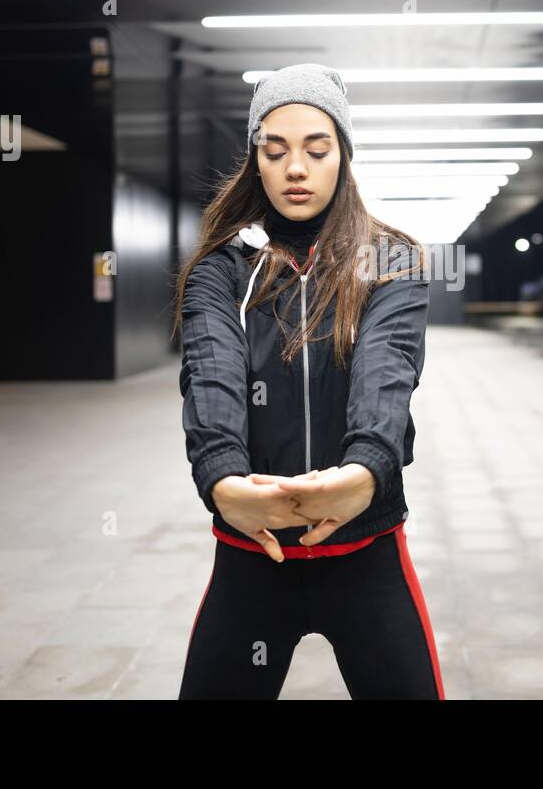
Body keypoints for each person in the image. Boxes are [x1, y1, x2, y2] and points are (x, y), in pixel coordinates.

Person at [172, 63, 444, 699]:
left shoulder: (390, 259)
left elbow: (387, 372)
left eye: (317, 150)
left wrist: (365, 471)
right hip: (252, 558)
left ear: (342, 158)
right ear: (256, 162)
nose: (297, 167)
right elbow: (211, 379)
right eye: (276, 150)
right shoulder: (222, 270)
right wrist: (222, 479)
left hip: (367, 554)